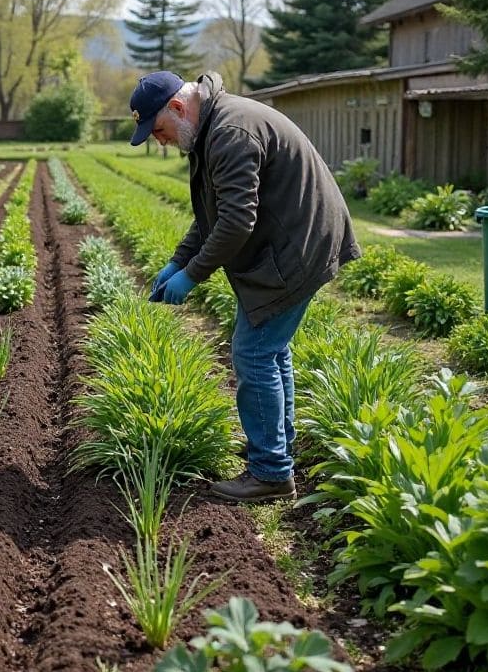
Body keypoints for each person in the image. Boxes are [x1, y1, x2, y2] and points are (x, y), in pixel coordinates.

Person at [129, 71, 360, 503]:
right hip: (293, 239)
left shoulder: (229, 133)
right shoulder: (211, 128)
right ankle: (276, 452)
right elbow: (212, 213)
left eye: (157, 130)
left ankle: (271, 472)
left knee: (253, 352)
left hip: (298, 246)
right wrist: (178, 260)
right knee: (270, 351)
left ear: (178, 109)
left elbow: (236, 222)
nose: (159, 141)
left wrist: (193, 274)